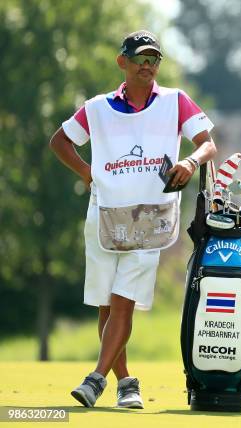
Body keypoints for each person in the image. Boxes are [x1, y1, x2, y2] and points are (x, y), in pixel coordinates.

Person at [49, 30, 217, 409]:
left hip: (151, 217)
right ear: (122, 62)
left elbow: (207, 143)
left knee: (122, 302)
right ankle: (126, 381)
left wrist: (190, 162)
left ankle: (95, 379)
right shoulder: (96, 107)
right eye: (140, 58)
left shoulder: (176, 101)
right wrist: (87, 173)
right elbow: (60, 141)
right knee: (106, 305)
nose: (148, 65)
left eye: (154, 59)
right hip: (103, 214)